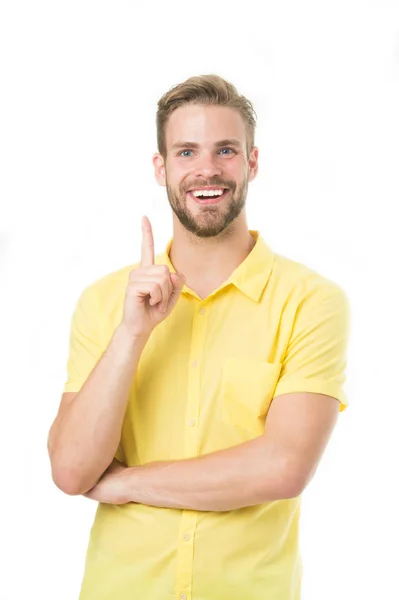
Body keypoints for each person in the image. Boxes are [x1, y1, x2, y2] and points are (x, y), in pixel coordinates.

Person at [47, 74, 351, 600]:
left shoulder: (310, 301)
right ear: (161, 168)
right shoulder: (104, 303)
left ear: (253, 162)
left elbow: (283, 466)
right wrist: (131, 334)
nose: (206, 169)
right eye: (186, 152)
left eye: (226, 150)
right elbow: (72, 470)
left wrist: (124, 483)